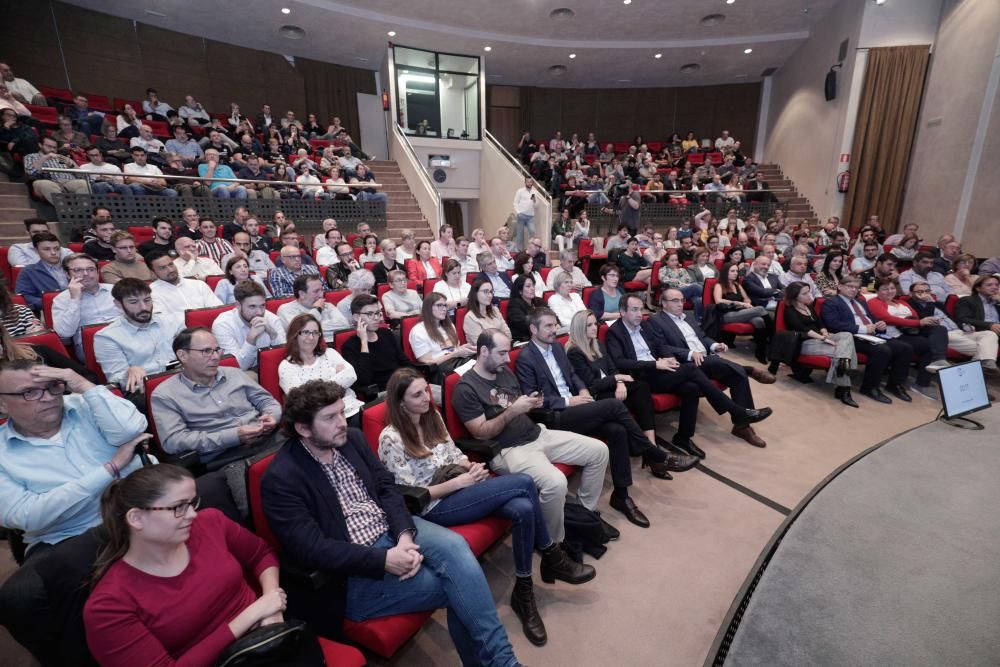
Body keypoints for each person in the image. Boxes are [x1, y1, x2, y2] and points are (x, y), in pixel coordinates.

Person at [262, 380, 523, 667]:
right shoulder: (282, 478)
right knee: (458, 587)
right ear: (303, 429)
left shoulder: (352, 439)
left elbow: (387, 489)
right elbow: (313, 549)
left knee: (457, 548)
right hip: (353, 569)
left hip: (391, 530)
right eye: (330, 418)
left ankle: (502, 661)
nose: (341, 423)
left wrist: (404, 536)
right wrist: (384, 559)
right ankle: (503, 663)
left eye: (341, 413)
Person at [379, 368, 593, 645]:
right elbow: (409, 496)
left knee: (525, 508)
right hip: (434, 505)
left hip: (461, 483)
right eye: (417, 394)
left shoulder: (432, 417)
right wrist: (460, 482)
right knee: (525, 483)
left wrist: (472, 467)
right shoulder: (390, 438)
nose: (426, 398)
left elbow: (454, 453)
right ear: (400, 402)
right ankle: (552, 554)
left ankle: (524, 590)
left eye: (426, 390)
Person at [83, 463, 306, 667]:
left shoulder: (210, 522)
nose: (192, 514)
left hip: (270, 642)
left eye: (192, 503)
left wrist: (271, 605)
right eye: (179, 507)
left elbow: (261, 554)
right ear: (136, 519)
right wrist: (253, 613)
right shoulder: (109, 605)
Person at [517, 308, 684, 527]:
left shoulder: (556, 347)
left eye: (554, 324)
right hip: (556, 416)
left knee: (618, 430)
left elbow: (574, 376)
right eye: (548, 326)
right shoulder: (526, 358)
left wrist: (583, 391)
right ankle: (654, 454)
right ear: (533, 329)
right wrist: (569, 401)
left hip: (578, 404)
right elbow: (533, 401)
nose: (554, 330)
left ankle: (621, 496)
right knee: (614, 406)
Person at [454, 328, 610, 543]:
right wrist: (513, 411)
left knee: (599, 451)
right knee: (556, 484)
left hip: (536, 433)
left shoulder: (504, 372)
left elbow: (517, 405)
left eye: (508, 352)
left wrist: (530, 404)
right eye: (501, 353)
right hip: (508, 449)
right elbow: (480, 433)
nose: (508, 359)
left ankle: (583, 515)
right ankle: (553, 544)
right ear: (483, 351)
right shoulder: (466, 388)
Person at [640, 291, 775, 449]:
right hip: (688, 363)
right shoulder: (655, 320)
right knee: (732, 369)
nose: (680, 303)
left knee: (737, 376)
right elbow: (662, 347)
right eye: (674, 300)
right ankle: (747, 372)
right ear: (663, 303)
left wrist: (714, 345)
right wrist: (690, 354)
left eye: (682, 300)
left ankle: (742, 426)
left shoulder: (688, 316)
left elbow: (702, 337)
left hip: (707, 359)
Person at [151, 327, 283, 467]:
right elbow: (174, 441)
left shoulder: (234, 374)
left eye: (217, 350)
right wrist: (233, 436)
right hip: (224, 457)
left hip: (268, 438)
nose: (215, 357)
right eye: (206, 351)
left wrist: (272, 416)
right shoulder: (165, 394)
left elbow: (267, 401)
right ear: (183, 355)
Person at [820, 276, 916, 404]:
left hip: (872, 334)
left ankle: (895, 385)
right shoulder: (831, 302)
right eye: (850, 287)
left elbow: (871, 319)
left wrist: (879, 325)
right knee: (882, 350)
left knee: (905, 348)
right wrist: (862, 329)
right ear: (840, 287)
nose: (853, 290)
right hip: (851, 337)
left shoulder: (861, 302)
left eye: (856, 287)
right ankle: (870, 387)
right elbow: (833, 324)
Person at [867, 278, 950, 400]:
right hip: (892, 334)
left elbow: (915, 316)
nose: (890, 291)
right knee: (922, 345)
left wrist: (917, 321)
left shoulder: (901, 302)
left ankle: (935, 365)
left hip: (910, 331)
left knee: (937, 334)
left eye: (892, 288)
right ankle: (909, 384)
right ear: (877, 291)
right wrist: (915, 322)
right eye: (885, 289)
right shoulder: (874, 302)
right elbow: (887, 318)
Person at [782, 282, 860, 406]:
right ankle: (844, 389)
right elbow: (804, 330)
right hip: (806, 343)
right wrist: (824, 339)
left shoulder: (809, 307)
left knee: (847, 335)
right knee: (843, 352)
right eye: (805, 293)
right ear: (795, 296)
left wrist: (824, 333)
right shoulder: (790, 311)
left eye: (809, 291)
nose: (809, 295)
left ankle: (842, 373)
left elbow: (820, 323)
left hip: (821, 337)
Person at [279, 313, 363, 421]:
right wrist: (336, 376)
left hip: (353, 407)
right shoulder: (286, 366)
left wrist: (315, 389)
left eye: (315, 333)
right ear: (294, 335)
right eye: (305, 332)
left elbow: (351, 375)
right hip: (322, 419)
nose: (311, 337)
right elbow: (302, 401)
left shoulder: (329, 353)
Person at [909, 280, 999, 374]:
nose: (924, 294)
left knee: (989, 334)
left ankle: (978, 367)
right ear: (911, 294)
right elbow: (925, 318)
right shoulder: (912, 305)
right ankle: (976, 369)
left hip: (959, 331)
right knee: (984, 349)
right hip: (942, 334)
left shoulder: (938, 304)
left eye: (927, 291)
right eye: (920, 292)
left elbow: (951, 319)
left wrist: (964, 326)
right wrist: (930, 302)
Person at [51, 253, 118, 359]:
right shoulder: (62, 299)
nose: (86, 273)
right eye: (78, 270)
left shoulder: (116, 290)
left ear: (97, 272)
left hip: (125, 337)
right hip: (92, 347)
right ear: (67, 274)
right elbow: (65, 333)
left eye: (91, 269)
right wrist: (75, 299)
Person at [212, 280, 286, 375]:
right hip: (242, 373)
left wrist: (273, 334)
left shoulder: (272, 319)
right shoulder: (223, 324)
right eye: (252, 307)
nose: (259, 312)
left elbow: (287, 358)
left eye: (262, 306)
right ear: (238, 305)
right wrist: (250, 340)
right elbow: (237, 367)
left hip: (272, 367)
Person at [341, 295, 411, 392]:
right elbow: (364, 379)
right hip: (385, 392)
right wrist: (364, 342)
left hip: (405, 384)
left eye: (377, 313)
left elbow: (405, 361)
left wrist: (417, 378)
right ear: (356, 317)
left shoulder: (386, 333)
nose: (376, 318)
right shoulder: (349, 346)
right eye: (370, 314)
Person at [714, 262, 772, 363]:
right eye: (732, 271)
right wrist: (739, 303)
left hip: (740, 312)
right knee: (760, 309)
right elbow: (718, 300)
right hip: (726, 314)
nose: (735, 273)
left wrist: (747, 303)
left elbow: (746, 299)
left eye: (736, 271)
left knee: (758, 320)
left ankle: (760, 352)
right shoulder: (719, 285)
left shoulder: (737, 285)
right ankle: (773, 335)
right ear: (725, 272)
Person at [409, 293, 477, 379]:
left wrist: (465, 348)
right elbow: (428, 363)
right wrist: (454, 354)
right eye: (439, 305)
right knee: (477, 367)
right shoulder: (419, 331)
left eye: (445, 305)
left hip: (455, 361)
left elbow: (455, 349)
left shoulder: (449, 326)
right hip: (439, 369)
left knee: (481, 358)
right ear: (428, 308)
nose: (444, 309)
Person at [146, 248, 223, 314]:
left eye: (171, 264)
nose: (170, 270)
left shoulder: (198, 284)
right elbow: (164, 320)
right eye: (163, 268)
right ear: (153, 272)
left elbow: (217, 309)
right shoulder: (151, 292)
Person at [277, 273, 349, 339]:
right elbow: (301, 332)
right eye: (316, 291)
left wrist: (313, 329)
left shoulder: (328, 306)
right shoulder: (286, 309)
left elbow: (344, 325)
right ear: (302, 294)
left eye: (322, 290)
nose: (321, 295)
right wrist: (317, 310)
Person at [23, 135, 89, 204]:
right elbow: (30, 172)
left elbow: (82, 176)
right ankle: (66, 211)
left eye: (54, 147)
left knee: (83, 183)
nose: (52, 149)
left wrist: (71, 165)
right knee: (45, 184)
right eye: (49, 146)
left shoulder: (63, 157)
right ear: (40, 145)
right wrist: (46, 157)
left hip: (68, 182)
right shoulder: (31, 156)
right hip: (48, 181)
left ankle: (82, 211)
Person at [14, 232, 70, 311]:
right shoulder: (29, 271)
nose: (53, 253)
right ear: (36, 251)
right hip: (49, 311)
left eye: (56, 249)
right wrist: (50, 302)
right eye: (47, 249)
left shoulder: (72, 266)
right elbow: (24, 297)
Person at [954, 276, 1000, 354]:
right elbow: (963, 319)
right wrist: (990, 325)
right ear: (978, 288)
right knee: (991, 334)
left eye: (997, 285)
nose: (994, 287)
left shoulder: (997, 302)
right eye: (989, 285)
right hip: (981, 331)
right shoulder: (967, 300)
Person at [659, 251, 704, 320]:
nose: (675, 262)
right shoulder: (664, 269)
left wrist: (679, 282)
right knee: (695, 286)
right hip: (672, 291)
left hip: (686, 290)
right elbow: (663, 279)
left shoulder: (682, 270)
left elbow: (689, 280)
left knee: (698, 300)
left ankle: (697, 321)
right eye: (672, 260)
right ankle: (708, 295)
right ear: (666, 261)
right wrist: (679, 282)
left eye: (676, 260)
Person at [465, 278, 512, 343]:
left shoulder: (495, 310)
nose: (490, 295)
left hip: (502, 349)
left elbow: (508, 334)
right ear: (475, 293)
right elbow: (481, 344)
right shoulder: (470, 317)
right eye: (485, 291)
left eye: (491, 292)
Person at [508, 275, 545, 342]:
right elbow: (525, 324)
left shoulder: (539, 301)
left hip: (542, 334)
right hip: (525, 340)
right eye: (528, 286)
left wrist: (556, 324)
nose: (532, 288)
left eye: (533, 285)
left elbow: (552, 315)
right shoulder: (514, 305)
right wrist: (545, 325)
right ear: (520, 291)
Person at [512, 177, 538, 251]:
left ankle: (531, 250)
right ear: (525, 182)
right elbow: (515, 203)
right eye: (528, 182)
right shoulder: (520, 191)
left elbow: (536, 206)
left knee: (532, 231)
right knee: (519, 234)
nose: (529, 183)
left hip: (531, 216)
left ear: (532, 183)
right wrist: (518, 212)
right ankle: (519, 251)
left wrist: (535, 201)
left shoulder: (535, 192)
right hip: (521, 215)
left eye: (531, 182)